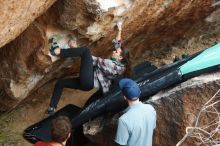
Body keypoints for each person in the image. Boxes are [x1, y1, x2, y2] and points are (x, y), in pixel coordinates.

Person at [47, 22, 130, 114]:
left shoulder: (111, 65)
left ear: (120, 57)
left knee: (86, 51)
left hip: (88, 80)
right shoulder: (121, 67)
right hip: (87, 85)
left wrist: (75, 47)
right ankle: (52, 108)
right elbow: (118, 45)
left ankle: (57, 51)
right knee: (60, 83)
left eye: (116, 52)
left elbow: (91, 59)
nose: (114, 51)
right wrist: (120, 29)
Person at [115, 78, 156, 146]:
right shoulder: (151, 109)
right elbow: (152, 128)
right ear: (139, 92)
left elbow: (120, 144)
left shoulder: (123, 120)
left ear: (124, 97)